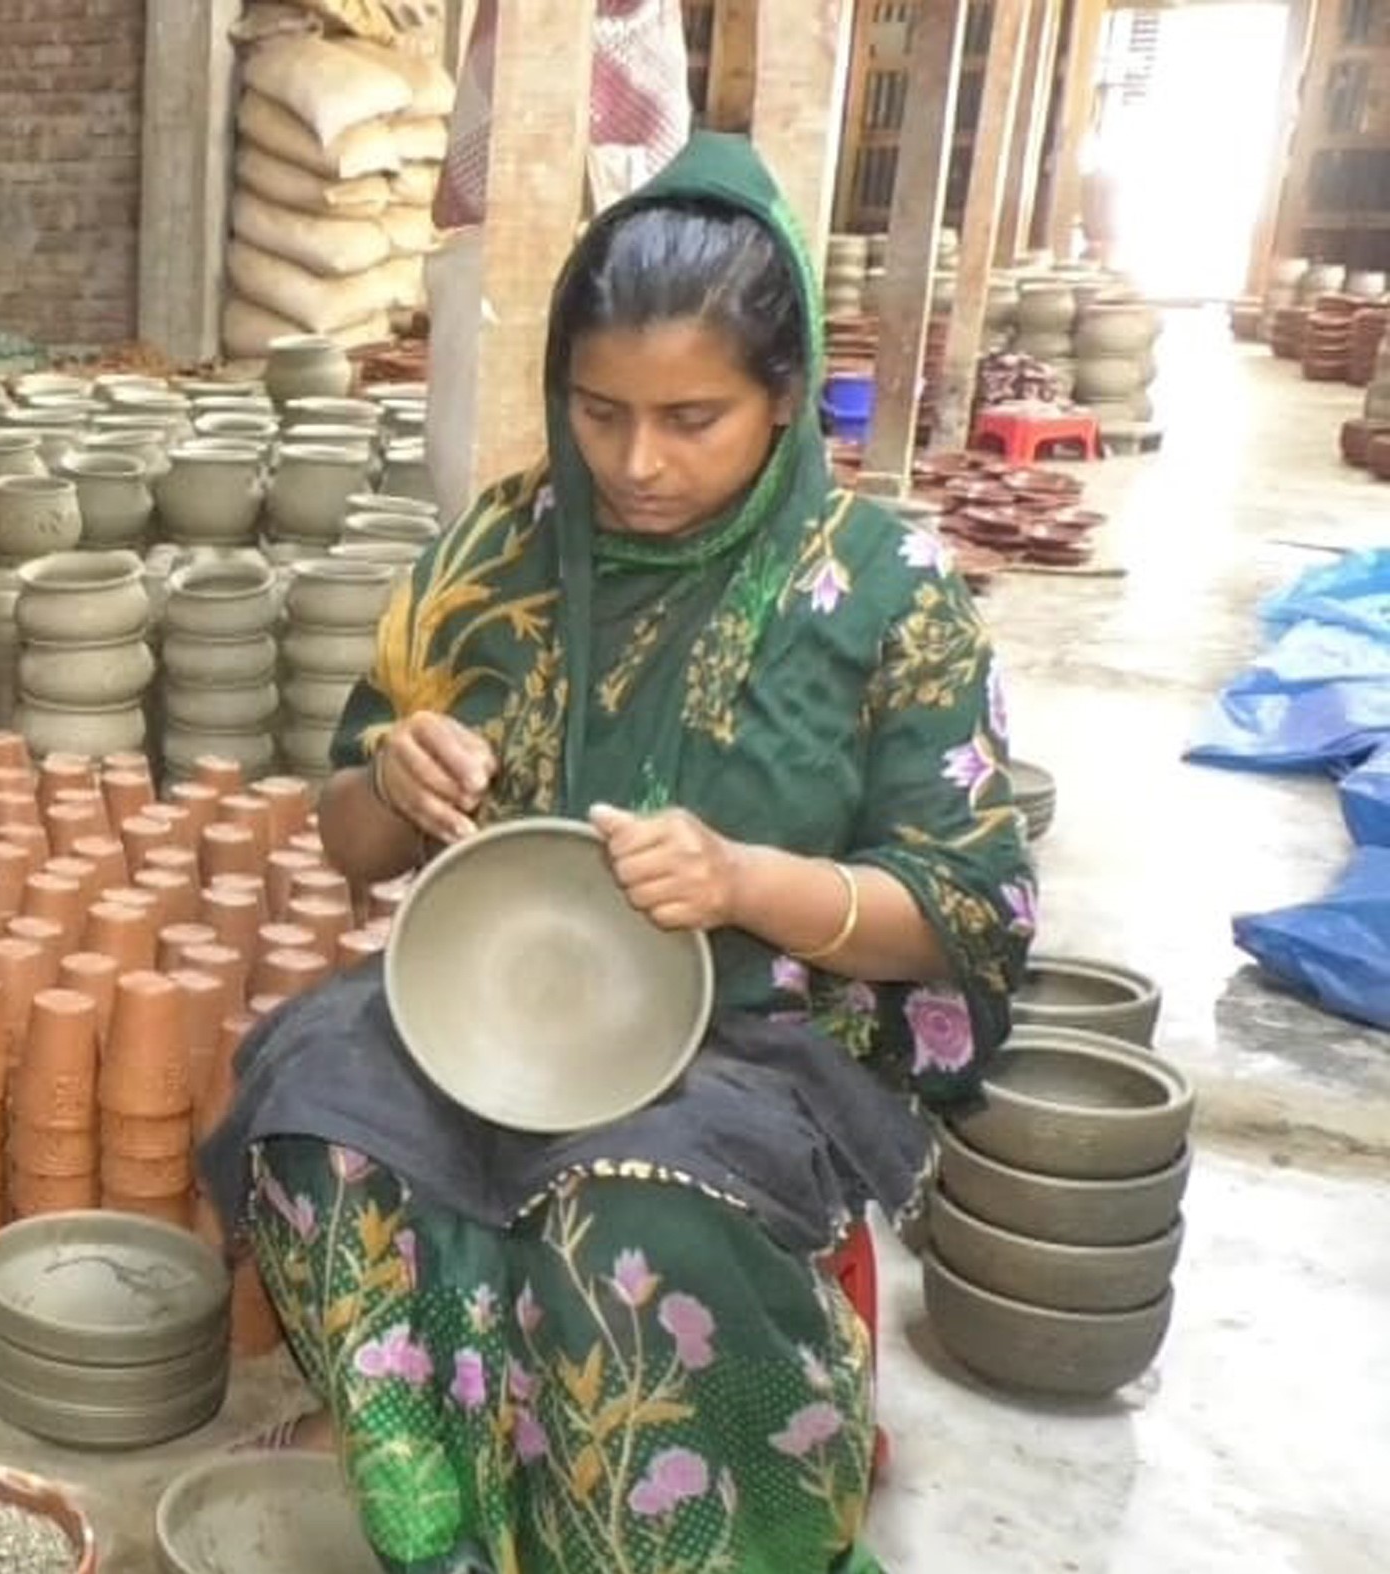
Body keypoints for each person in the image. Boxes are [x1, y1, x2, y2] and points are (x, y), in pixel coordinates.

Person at [200, 135, 1035, 1572]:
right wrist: (395, 777)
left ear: (786, 396)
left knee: (624, 1206)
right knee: (314, 1103)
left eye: (692, 417)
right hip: (499, 1008)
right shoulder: (500, 550)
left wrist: (744, 881)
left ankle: (668, 1521)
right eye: (600, 412)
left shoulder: (883, 591)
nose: (638, 462)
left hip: (760, 1037)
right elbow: (348, 840)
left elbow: (967, 908)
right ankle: (434, 1490)